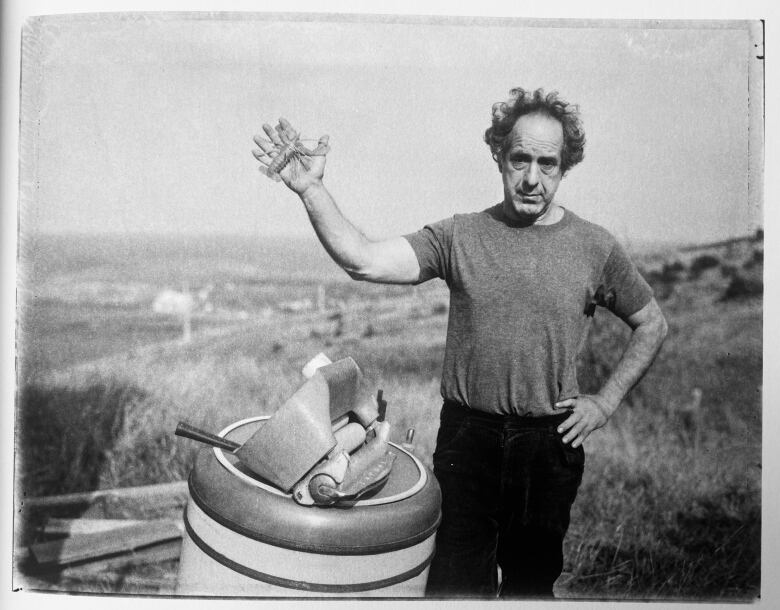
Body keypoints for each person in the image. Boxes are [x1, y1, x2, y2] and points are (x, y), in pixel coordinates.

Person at [251, 87, 668, 598]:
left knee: (531, 588)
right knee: (453, 590)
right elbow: (363, 259)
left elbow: (652, 323)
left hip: (549, 443)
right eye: (520, 159)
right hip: (468, 440)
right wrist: (310, 190)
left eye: (547, 163)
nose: (532, 178)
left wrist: (605, 402)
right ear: (499, 155)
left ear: (565, 167)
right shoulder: (460, 236)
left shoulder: (595, 246)